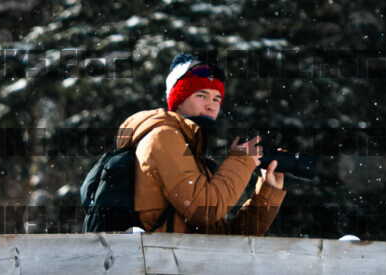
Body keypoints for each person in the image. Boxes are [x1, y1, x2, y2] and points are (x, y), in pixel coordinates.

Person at [115, 54, 287, 234]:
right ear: (178, 100)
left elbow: (222, 237)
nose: (211, 106)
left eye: (216, 99)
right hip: (163, 253)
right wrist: (241, 160)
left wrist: (268, 194)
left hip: (184, 252)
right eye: (202, 95)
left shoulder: (193, 149)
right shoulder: (163, 137)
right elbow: (204, 211)